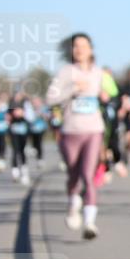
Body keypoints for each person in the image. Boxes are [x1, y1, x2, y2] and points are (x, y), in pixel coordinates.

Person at [46, 33, 109, 240]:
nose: (80, 49)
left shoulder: (98, 73)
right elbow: (50, 98)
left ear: (91, 49)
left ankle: (90, 222)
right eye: (76, 46)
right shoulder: (66, 72)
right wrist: (73, 89)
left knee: (88, 175)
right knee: (73, 174)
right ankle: (73, 204)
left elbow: (110, 93)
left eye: (83, 45)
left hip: (94, 130)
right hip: (71, 130)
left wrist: (105, 96)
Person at [7, 93, 31, 186]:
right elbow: (7, 118)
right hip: (14, 131)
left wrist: (23, 114)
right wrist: (11, 116)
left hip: (23, 131)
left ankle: (24, 172)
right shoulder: (10, 106)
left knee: (22, 151)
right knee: (15, 150)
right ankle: (15, 171)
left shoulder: (25, 104)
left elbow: (30, 118)